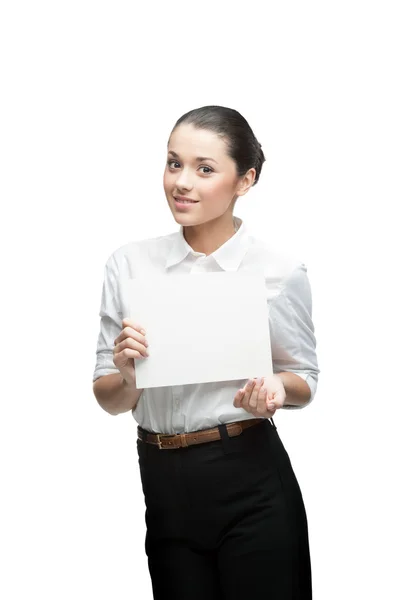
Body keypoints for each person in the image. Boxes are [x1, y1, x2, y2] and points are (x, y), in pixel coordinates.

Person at [92, 105, 320, 599]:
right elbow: (108, 399)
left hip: (250, 480)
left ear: (245, 180)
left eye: (205, 169)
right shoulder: (129, 265)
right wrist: (130, 377)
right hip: (163, 487)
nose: (182, 183)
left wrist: (277, 388)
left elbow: (304, 378)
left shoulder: (279, 271)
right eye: (174, 163)